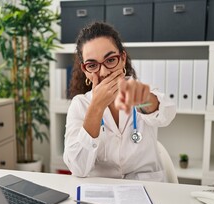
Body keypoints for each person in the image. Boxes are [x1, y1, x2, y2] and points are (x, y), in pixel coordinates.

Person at [63, 22, 176, 182]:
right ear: (85, 70)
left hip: (149, 188)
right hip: (103, 192)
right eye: (92, 65)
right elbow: (78, 168)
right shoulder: (80, 105)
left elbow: (167, 114)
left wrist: (143, 100)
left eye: (110, 60)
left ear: (122, 59)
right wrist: (96, 107)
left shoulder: (141, 90)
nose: (103, 72)